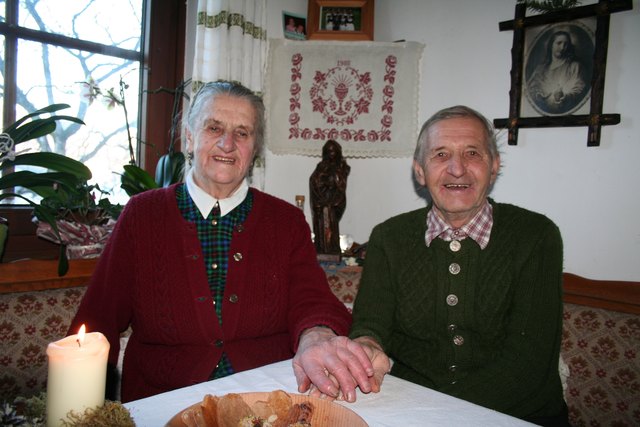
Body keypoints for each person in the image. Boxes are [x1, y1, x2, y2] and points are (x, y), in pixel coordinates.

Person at [69, 81, 375, 403]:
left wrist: (316, 335)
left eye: (242, 133)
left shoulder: (285, 221)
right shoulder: (142, 215)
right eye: (214, 128)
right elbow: (98, 319)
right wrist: (80, 405)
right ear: (189, 136)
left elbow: (313, 300)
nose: (227, 144)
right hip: (165, 400)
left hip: (267, 397)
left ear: (254, 148)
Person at [348, 105, 568, 425]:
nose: (457, 169)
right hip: (411, 411)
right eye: (440, 155)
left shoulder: (536, 236)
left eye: (472, 154)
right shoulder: (388, 237)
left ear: (494, 167)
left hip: (518, 414)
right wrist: (366, 346)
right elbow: (370, 324)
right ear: (420, 171)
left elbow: (528, 365)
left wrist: (437, 414)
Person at [527, 29, 589, 115]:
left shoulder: (575, 66)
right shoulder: (540, 69)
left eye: (566, 44)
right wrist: (539, 96)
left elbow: (579, 90)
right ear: (551, 45)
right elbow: (530, 91)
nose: (563, 47)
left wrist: (564, 97)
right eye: (559, 43)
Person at [309, 140, 350, 255]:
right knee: (322, 229)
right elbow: (314, 180)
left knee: (331, 227)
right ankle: (322, 248)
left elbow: (340, 184)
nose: (331, 153)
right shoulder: (321, 166)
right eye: (329, 151)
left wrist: (333, 178)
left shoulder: (342, 167)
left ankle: (332, 248)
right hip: (322, 203)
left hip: (333, 203)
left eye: (333, 151)